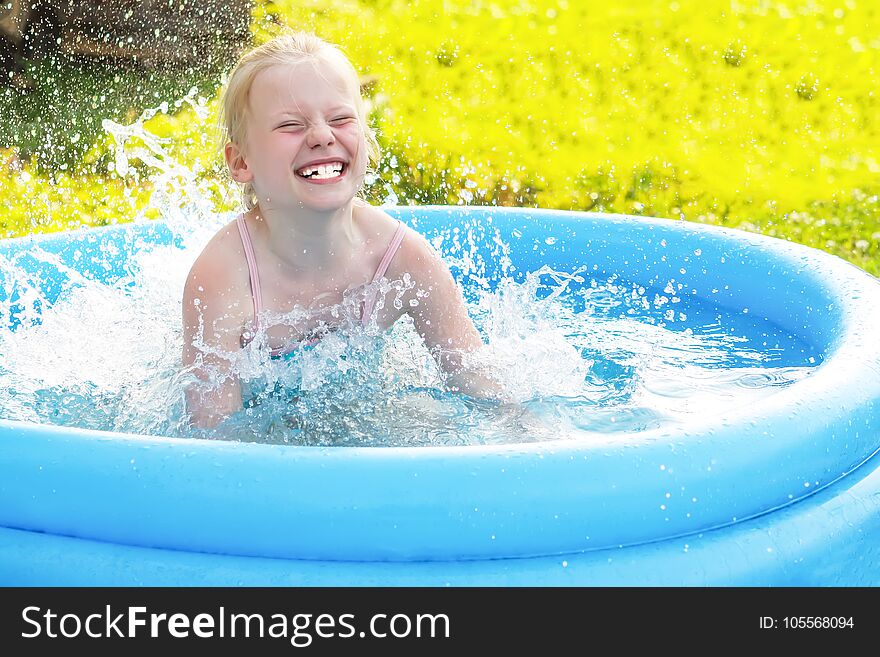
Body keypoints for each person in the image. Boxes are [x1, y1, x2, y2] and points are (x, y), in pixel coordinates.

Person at [182, 32, 497, 429]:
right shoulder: (224, 276)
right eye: (291, 125)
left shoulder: (401, 259)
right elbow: (212, 431)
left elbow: (482, 387)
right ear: (241, 161)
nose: (321, 136)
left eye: (341, 119)